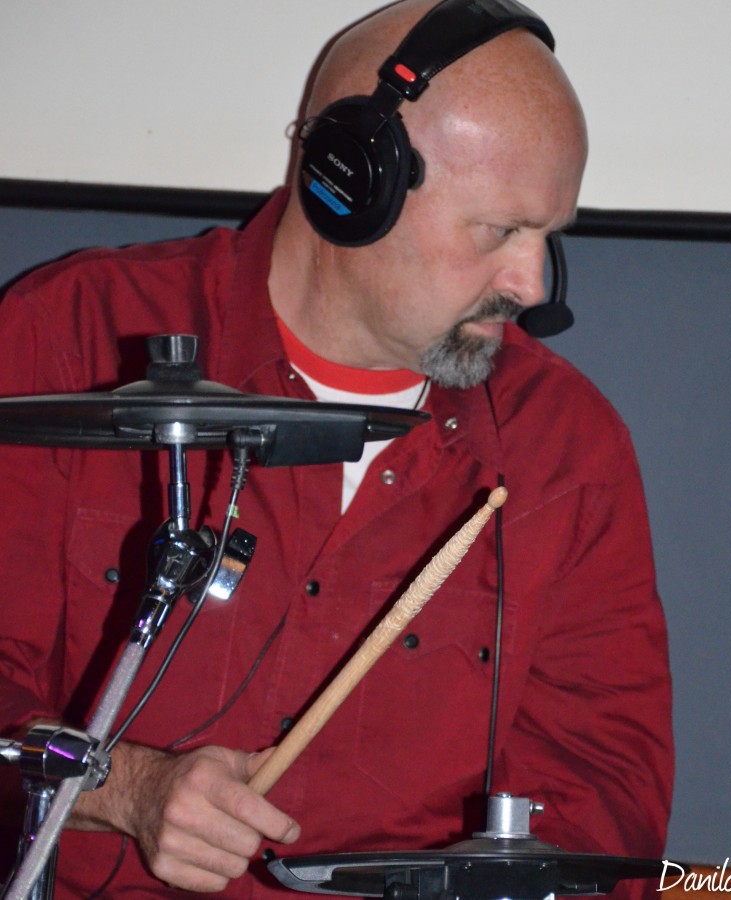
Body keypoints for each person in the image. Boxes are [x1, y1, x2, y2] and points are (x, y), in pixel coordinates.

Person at [0, 0, 673, 896]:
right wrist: (126, 788)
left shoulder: (563, 445)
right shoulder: (69, 339)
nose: (531, 284)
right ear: (352, 187)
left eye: (550, 236)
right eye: (499, 232)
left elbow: (601, 791)